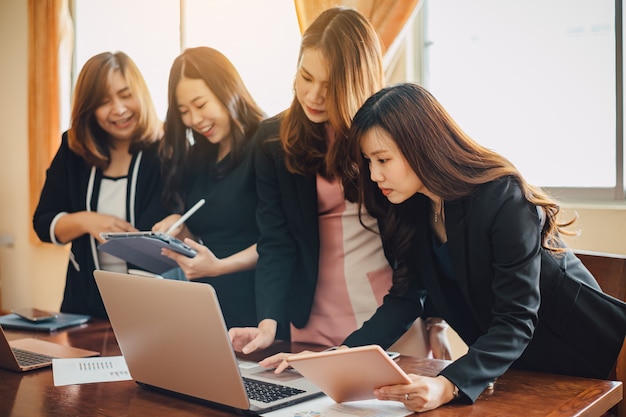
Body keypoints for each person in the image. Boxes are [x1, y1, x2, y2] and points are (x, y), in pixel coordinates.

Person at [316, 82, 620, 412]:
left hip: (588, 360)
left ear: (421, 146)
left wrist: (446, 385)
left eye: (383, 159)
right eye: (368, 160)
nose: (374, 174)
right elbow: (404, 300)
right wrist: (336, 362)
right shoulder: (411, 209)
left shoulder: (503, 197)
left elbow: (515, 320)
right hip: (517, 368)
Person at [228, 6, 450, 358]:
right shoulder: (272, 139)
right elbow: (276, 239)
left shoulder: (389, 134)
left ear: (355, 83)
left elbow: (420, 237)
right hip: (309, 316)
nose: (313, 95)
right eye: (306, 77)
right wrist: (268, 320)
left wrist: (434, 319)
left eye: (329, 85)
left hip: (386, 309)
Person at [33, 51, 168, 318]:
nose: (119, 109)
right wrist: (87, 221)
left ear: (140, 93)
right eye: (104, 101)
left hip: (150, 308)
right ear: (89, 108)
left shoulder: (165, 149)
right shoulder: (72, 148)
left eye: (126, 94)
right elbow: (43, 224)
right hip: (83, 307)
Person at [152, 46, 264, 329]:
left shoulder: (264, 144)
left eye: (200, 105)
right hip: (209, 304)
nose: (194, 120)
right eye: (184, 111)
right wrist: (180, 228)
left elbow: (281, 242)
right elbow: (208, 237)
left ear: (227, 89)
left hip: (258, 306)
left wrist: (220, 265)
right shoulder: (200, 156)